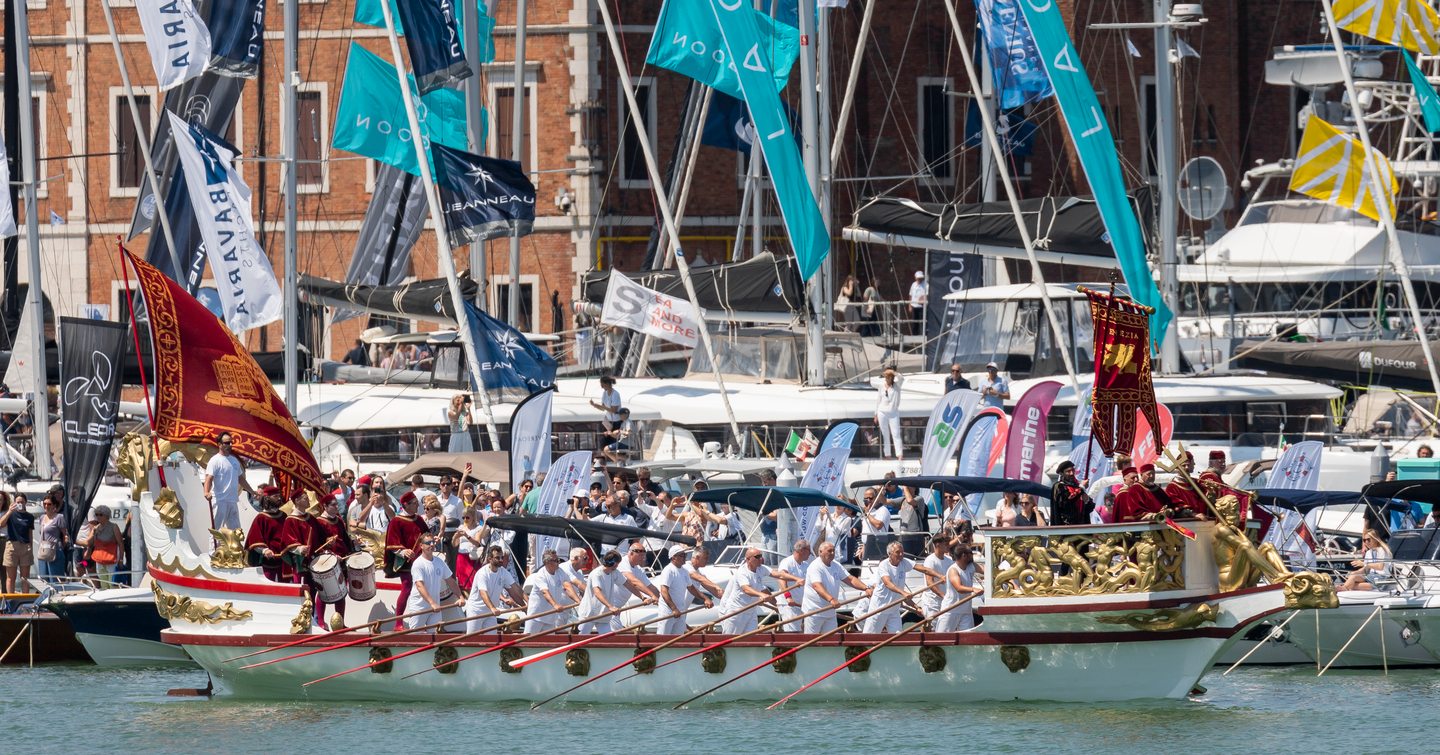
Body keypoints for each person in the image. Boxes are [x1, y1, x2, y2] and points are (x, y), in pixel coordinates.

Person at [864, 541, 941, 633]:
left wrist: (940, 576)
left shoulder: (904, 562)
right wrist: (903, 593)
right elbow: (888, 584)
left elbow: (924, 569)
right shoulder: (883, 565)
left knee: (898, 637)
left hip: (894, 611)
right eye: (897, 552)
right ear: (889, 554)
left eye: (902, 552)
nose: (901, 555)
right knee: (869, 636)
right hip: (879, 609)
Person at [801, 542, 872, 633]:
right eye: (829, 551)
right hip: (814, 612)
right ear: (820, 552)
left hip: (830, 611)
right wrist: (831, 599)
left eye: (833, 551)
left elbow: (850, 579)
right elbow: (817, 586)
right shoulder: (815, 566)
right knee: (811, 640)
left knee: (831, 640)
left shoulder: (836, 565)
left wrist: (866, 588)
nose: (832, 553)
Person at [578, 549, 653, 633]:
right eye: (617, 563)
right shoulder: (597, 574)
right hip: (589, 613)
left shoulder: (615, 572)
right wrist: (610, 607)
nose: (618, 566)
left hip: (603, 614)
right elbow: (597, 592)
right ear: (613, 563)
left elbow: (629, 585)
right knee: (581, 637)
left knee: (608, 639)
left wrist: (643, 597)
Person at [385, 491, 428, 628]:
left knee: (425, 589)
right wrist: (403, 551)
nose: (417, 506)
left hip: (421, 560)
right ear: (405, 505)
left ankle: (422, 620)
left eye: (417, 503)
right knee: (407, 588)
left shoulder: (419, 520)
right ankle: (398, 623)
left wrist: (431, 540)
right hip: (406, 562)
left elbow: (426, 535)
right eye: (415, 503)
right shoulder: (396, 521)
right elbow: (392, 542)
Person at [311, 493, 355, 629]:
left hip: (341, 560)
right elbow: (317, 544)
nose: (337, 507)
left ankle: (339, 624)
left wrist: (352, 547)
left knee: (341, 592)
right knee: (324, 591)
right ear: (325, 506)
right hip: (327, 561)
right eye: (333, 505)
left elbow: (345, 539)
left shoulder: (339, 520)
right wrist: (331, 555)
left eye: (337, 504)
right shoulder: (319, 522)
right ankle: (320, 622)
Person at [402, 534, 461, 630]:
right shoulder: (418, 564)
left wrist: (460, 596)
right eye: (428, 543)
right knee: (416, 636)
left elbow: (450, 580)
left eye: (433, 542)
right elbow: (420, 585)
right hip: (419, 607)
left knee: (434, 636)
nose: (432, 544)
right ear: (421, 546)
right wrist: (432, 603)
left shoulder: (439, 562)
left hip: (435, 607)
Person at [465, 546, 525, 632]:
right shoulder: (482, 573)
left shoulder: (503, 572)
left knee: (492, 638)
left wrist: (525, 605)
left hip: (490, 612)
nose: (501, 560)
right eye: (497, 557)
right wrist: (493, 608)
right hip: (476, 611)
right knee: (472, 639)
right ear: (490, 559)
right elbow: (483, 593)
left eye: (502, 557)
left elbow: (515, 589)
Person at [203, 432, 255, 530]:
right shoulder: (215, 460)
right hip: (219, 501)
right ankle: (214, 546)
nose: (230, 445)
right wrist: (206, 492)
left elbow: (241, 479)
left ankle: (235, 546)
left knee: (236, 532)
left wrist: (252, 491)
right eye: (227, 443)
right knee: (216, 531)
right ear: (219, 444)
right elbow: (209, 478)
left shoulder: (234, 460)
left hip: (233, 501)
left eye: (231, 442)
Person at [655, 547, 712, 633]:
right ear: (674, 557)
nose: (685, 557)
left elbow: (692, 588)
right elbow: (664, 591)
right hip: (668, 612)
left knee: (677, 640)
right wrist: (674, 609)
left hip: (680, 612)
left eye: (685, 555)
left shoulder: (684, 571)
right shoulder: (668, 570)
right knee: (663, 639)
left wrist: (705, 599)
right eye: (682, 555)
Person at [718, 547, 775, 633]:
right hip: (736, 610)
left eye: (761, 556)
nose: (761, 559)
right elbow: (747, 589)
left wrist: (777, 605)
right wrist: (761, 595)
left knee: (751, 638)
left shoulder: (758, 570)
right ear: (748, 559)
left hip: (750, 610)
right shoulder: (742, 572)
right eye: (757, 556)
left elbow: (764, 588)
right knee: (730, 639)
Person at [523, 549, 579, 633]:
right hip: (536, 617)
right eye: (556, 560)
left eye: (558, 560)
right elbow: (545, 592)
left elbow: (567, 586)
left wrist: (578, 601)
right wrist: (555, 605)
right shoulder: (540, 575)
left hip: (551, 618)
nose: (558, 562)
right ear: (548, 562)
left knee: (549, 643)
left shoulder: (560, 572)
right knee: (527, 642)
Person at [936, 543, 983, 631]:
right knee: (942, 638)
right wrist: (973, 589)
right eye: (971, 553)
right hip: (951, 610)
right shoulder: (953, 570)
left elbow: (985, 570)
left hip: (966, 611)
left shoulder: (971, 566)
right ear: (964, 555)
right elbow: (959, 588)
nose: (972, 556)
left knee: (968, 638)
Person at [244, 487, 287, 581]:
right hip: (268, 561)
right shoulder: (261, 518)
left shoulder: (283, 516)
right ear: (267, 498)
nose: (279, 498)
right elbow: (255, 538)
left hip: (284, 560)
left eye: (279, 496)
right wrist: (265, 550)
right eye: (276, 496)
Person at [774, 539, 813, 631]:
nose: (810, 553)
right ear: (802, 550)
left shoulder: (806, 565)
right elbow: (781, 578)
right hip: (789, 604)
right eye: (809, 550)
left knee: (801, 631)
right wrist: (788, 596)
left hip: (800, 605)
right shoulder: (787, 562)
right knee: (793, 632)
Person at [0, 492, 35, 592]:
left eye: (22, 502)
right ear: (14, 502)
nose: (20, 504)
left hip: (25, 547)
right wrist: (9, 511)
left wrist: (31, 548)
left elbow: (30, 534)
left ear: (25, 503)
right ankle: (10, 602)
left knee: (25, 578)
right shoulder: (10, 514)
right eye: (18, 502)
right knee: (11, 577)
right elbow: (1, 524)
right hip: (12, 546)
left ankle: (24, 601)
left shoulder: (30, 517)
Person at [85, 504, 125, 588]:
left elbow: (121, 543)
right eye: (96, 514)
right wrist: (94, 532)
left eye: (101, 514)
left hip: (111, 559)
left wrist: (121, 559)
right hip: (99, 559)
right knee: (103, 583)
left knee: (112, 583)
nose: (98, 517)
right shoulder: (96, 528)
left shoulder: (114, 527)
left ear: (107, 516)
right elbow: (90, 542)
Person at [918, 534, 953, 616]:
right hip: (932, 603)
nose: (949, 546)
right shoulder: (930, 560)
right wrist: (943, 596)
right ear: (938, 545)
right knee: (933, 628)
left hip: (945, 602)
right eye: (946, 544)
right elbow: (930, 582)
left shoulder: (950, 560)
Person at [452, 508, 486, 594]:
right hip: (461, 557)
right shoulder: (461, 527)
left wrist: (467, 536)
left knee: (473, 580)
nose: (465, 520)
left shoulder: (478, 528)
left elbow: (477, 543)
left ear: (473, 517)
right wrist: (455, 537)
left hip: (472, 557)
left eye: (467, 517)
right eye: (463, 517)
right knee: (462, 582)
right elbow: (455, 544)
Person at [35, 494, 69, 580]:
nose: (46, 506)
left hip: (55, 551)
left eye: (49, 504)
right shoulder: (42, 517)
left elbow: (65, 535)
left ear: (54, 505)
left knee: (55, 579)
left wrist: (61, 548)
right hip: (43, 551)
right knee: (43, 579)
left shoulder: (59, 517)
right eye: (45, 504)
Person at [1050, 461, 1093, 526]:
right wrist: (1082, 488)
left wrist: (1087, 501)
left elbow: (1089, 508)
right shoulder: (1059, 486)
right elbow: (1067, 502)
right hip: (1066, 526)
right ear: (1062, 473)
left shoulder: (1077, 486)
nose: (1072, 473)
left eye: (1073, 470)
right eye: (1068, 471)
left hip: (1082, 525)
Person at [874, 368, 904, 460]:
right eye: (886, 377)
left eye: (889, 376)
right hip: (882, 412)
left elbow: (902, 378)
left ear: (892, 377)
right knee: (885, 434)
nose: (887, 378)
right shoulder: (881, 386)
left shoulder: (897, 386)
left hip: (893, 413)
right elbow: (878, 400)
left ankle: (899, 454)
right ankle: (887, 454)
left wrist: (893, 372)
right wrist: (875, 414)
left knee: (896, 434)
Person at [860, 489, 892, 558]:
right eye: (866, 499)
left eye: (870, 498)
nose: (868, 501)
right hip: (867, 545)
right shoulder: (866, 512)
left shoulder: (883, 510)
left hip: (878, 544)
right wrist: (863, 547)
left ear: (877, 498)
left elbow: (878, 525)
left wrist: (867, 513)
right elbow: (866, 530)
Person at [908, 270, 926, 336]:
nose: (919, 279)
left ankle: (922, 335)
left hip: (921, 306)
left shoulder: (926, 284)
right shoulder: (913, 284)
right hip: (914, 305)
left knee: (921, 322)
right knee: (914, 322)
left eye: (920, 278)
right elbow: (910, 295)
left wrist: (923, 298)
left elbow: (927, 295)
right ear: (915, 278)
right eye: (918, 278)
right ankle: (914, 335)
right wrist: (909, 305)